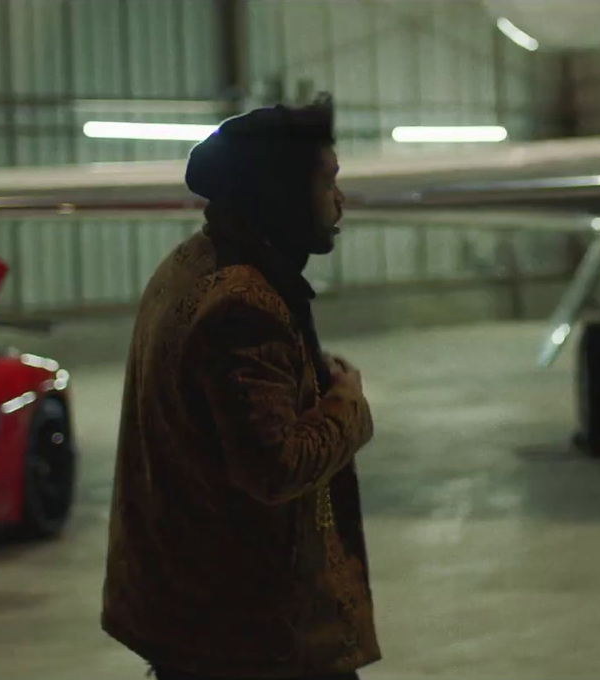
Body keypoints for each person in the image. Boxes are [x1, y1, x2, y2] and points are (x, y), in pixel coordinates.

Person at [101, 93, 378, 680]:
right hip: (248, 637)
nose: (340, 198)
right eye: (327, 181)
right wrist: (348, 407)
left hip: (193, 618)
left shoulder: (192, 264)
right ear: (280, 194)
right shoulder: (242, 303)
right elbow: (275, 466)